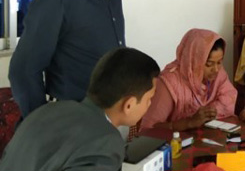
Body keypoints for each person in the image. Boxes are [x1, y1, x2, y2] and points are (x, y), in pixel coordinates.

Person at [0, 47, 159, 171]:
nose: (150, 104)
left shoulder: (49, 110)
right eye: (149, 99)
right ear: (129, 104)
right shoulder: (105, 141)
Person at [140, 29, 237, 132]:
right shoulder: (169, 84)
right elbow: (148, 130)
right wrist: (189, 122)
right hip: (173, 144)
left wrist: (208, 114)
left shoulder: (218, 75)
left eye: (219, 62)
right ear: (194, 61)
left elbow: (228, 99)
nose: (216, 69)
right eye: (209, 64)